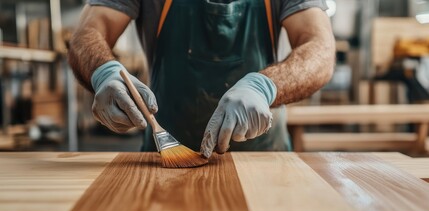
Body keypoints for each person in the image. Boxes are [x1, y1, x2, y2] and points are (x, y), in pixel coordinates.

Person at [68, 0, 335, 158]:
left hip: (262, 159)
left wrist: (264, 86)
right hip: (163, 161)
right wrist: (102, 72)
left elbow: (320, 48)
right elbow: (88, 31)